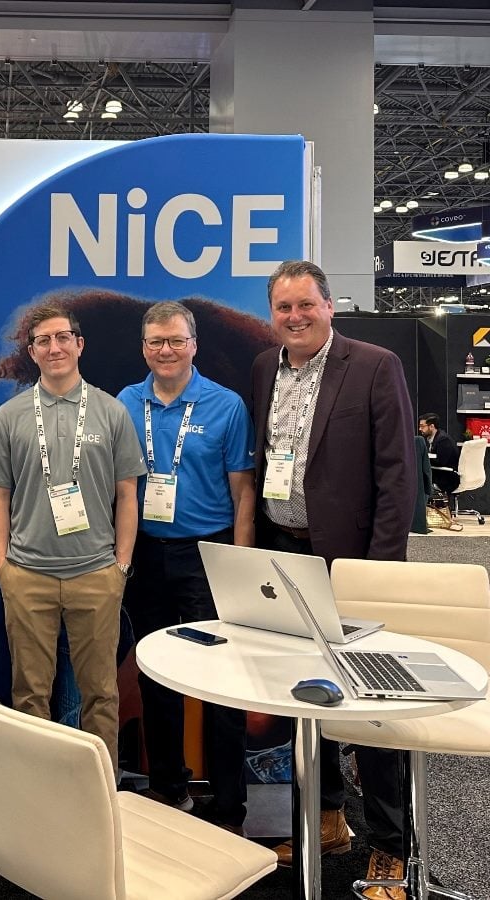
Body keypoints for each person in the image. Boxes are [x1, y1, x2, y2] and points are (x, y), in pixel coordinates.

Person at [252, 260, 414, 900]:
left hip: (353, 563)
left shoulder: (374, 366)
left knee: (370, 710)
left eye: (305, 305)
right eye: (283, 308)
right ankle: (328, 822)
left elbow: (398, 477)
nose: (294, 317)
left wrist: (371, 573)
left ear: (329, 306)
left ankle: (389, 847)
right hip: (283, 557)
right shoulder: (266, 369)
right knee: (303, 697)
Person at [0, 303, 146, 774]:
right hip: (27, 576)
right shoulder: (10, 416)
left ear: (79, 344)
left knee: (101, 695)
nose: (54, 347)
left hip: (95, 575)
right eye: (43, 341)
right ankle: (39, 796)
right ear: (32, 352)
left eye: (62, 337)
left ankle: (99, 797)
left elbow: (127, 494)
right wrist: (2, 566)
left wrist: (121, 567)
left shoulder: (111, 412)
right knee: (29, 695)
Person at [116, 301, 256, 834]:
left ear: (193, 344)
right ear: (144, 348)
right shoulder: (127, 403)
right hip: (147, 553)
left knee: (221, 682)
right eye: (155, 342)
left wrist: (238, 564)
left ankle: (229, 805)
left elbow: (244, 493)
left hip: (208, 554)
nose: (165, 351)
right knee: (156, 672)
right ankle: (169, 787)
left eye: (175, 340)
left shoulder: (226, 405)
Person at [419, 412, 459, 498]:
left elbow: (441, 462)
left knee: (419, 479)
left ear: (431, 426)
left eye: (422, 426)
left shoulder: (443, 440)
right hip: (444, 474)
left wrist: (424, 459)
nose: (420, 429)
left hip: (449, 478)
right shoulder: (436, 438)